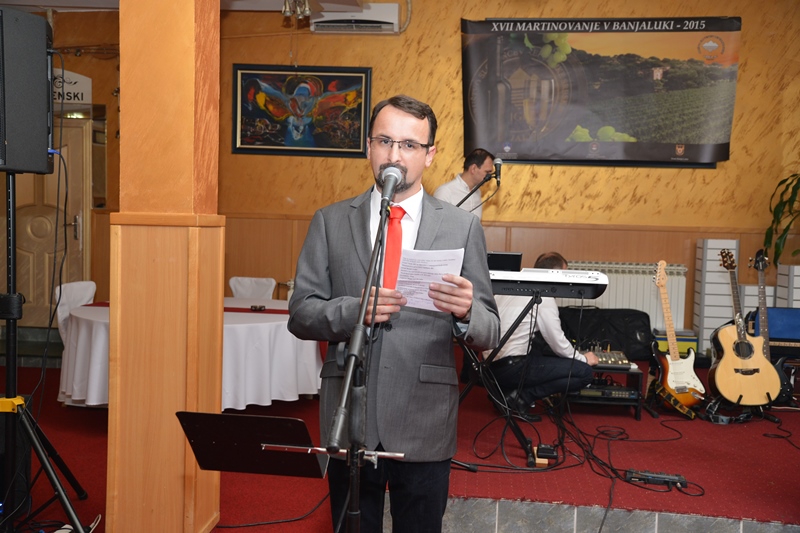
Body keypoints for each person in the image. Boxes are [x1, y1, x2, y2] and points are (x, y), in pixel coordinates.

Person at [288, 94, 500, 533]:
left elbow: (490, 328)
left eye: (409, 145)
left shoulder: (462, 226)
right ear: (368, 147)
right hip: (350, 416)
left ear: (430, 154)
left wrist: (466, 313)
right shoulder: (330, 221)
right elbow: (301, 313)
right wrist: (352, 311)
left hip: (424, 417)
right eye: (384, 141)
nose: (394, 155)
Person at [484, 251, 598, 417]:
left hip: (489, 368)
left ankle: (506, 392)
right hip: (511, 369)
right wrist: (584, 359)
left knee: (537, 346)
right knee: (584, 373)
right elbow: (557, 343)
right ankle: (520, 398)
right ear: (556, 273)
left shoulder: (509, 287)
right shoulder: (543, 296)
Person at [432, 147, 495, 219]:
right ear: (473, 169)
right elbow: (436, 222)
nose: (490, 176)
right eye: (487, 172)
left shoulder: (477, 192)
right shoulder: (445, 192)